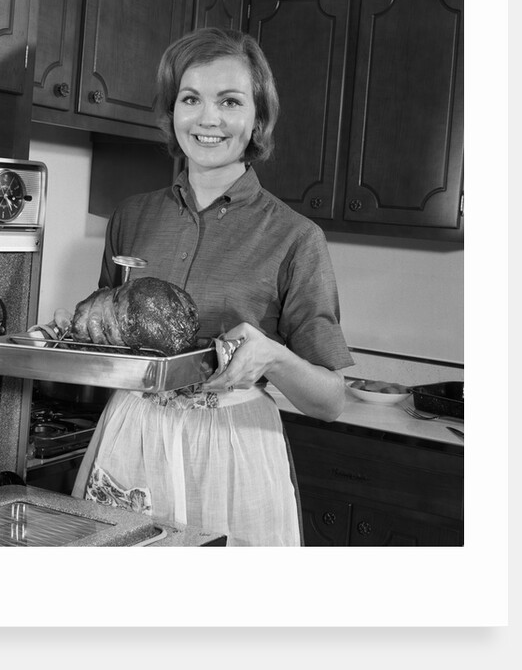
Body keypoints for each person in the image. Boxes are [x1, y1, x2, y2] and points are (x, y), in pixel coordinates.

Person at [66, 27, 354, 546]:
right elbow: (106, 341)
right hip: (131, 439)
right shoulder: (131, 216)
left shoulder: (295, 237)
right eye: (191, 98)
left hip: (232, 452)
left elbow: (331, 401)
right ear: (172, 111)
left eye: (230, 101)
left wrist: (274, 358)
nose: (208, 119)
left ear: (258, 119)